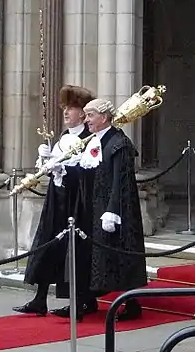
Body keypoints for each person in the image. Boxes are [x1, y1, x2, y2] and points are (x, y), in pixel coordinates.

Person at [52, 98, 147, 321]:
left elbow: (120, 181)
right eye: (85, 116)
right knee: (88, 256)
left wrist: (112, 210)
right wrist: (62, 171)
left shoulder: (119, 143)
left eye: (90, 116)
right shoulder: (93, 142)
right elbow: (87, 173)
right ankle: (84, 301)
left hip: (115, 211)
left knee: (120, 256)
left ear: (104, 118)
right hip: (92, 209)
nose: (86, 121)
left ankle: (132, 303)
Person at [12, 85, 95, 318]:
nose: (66, 113)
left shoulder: (88, 139)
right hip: (56, 199)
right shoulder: (64, 137)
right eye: (65, 108)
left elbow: (87, 172)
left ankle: (82, 301)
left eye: (71, 108)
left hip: (75, 202)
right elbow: (55, 170)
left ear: (82, 112)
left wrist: (64, 169)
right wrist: (47, 162)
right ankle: (39, 299)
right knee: (47, 246)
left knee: (74, 252)